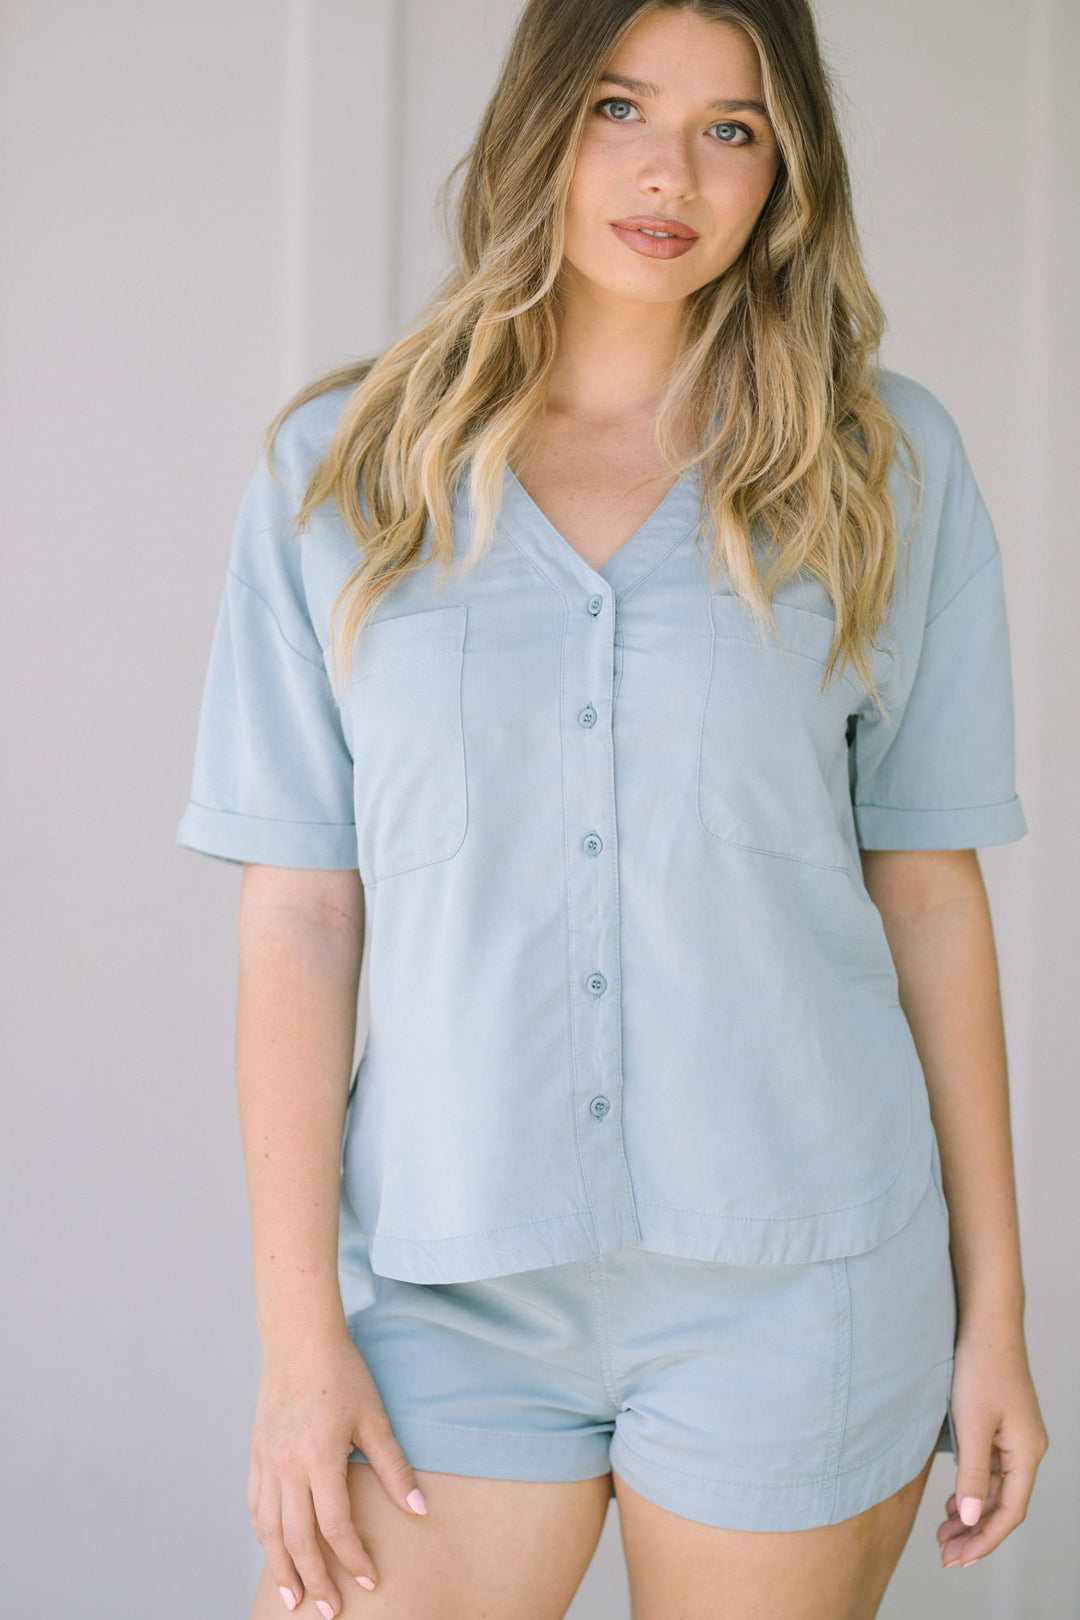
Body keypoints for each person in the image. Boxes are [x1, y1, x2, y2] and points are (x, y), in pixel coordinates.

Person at [176, 2, 1049, 1615]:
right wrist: (300, 1344)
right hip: (448, 1287)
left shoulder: (886, 467)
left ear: (786, 170)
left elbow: (928, 891)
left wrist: (996, 1313)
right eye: (620, 108)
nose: (672, 173)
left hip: (801, 1279)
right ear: (539, 128)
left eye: (733, 127)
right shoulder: (342, 472)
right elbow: (299, 911)